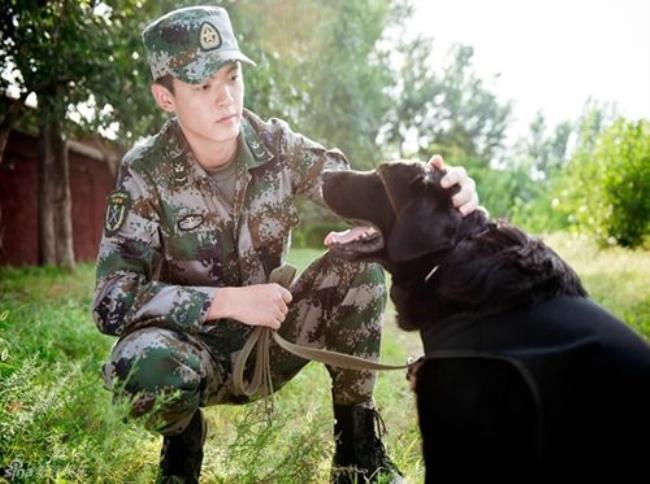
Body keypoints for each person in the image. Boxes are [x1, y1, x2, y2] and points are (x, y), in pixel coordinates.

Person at [91, 5, 480, 484]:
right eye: (202, 86)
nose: (225, 98)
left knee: (358, 267)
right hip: (191, 353)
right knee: (141, 367)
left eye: (232, 77)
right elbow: (111, 300)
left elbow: (356, 189)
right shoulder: (144, 171)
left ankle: (357, 455)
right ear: (165, 97)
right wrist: (230, 301)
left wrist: (442, 193)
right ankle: (181, 452)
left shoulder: (275, 145)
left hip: (275, 341)